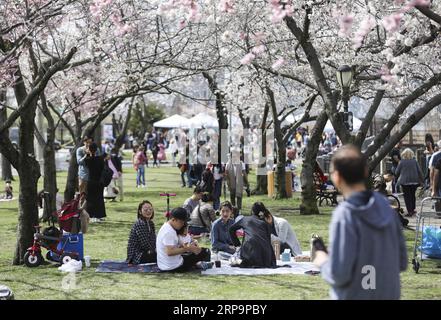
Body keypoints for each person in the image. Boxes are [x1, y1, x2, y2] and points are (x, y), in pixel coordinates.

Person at [312, 145, 407, 300]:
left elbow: (339, 274)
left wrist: (323, 261)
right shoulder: (387, 208)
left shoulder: (345, 215)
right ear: (364, 171)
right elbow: (401, 262)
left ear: (336, 177)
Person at [156, 207, 212, 272]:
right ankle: (203, 266)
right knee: (205, 251)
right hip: (173, 267)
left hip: (167, 265)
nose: (183, 224)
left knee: (194, 251)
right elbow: (169, 252)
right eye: (182, 222)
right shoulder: (169, 232)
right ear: (174, 219)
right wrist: (188, 248)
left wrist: (187, 246)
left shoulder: (167, 226)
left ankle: (199, 264)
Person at [395, 148, 423, 217]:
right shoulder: (415, 161)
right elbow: (419, 171)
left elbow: (396, 172)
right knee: (413, 195)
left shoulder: (401, 162)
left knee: (407, 196)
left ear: (403, 154)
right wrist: (422, 179)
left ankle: (409, 211)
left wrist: (397, 177)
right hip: (414, 181)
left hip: (404, 182)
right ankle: (413, 209)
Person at [85, 143, 107, 222]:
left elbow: (86, 162)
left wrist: (88, 153)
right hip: (99, 181)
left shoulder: (88, 159)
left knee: (90, 199)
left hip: (91, 181)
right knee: (99, 199)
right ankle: (100, 215)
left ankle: (90, 215)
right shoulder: (100, 159)